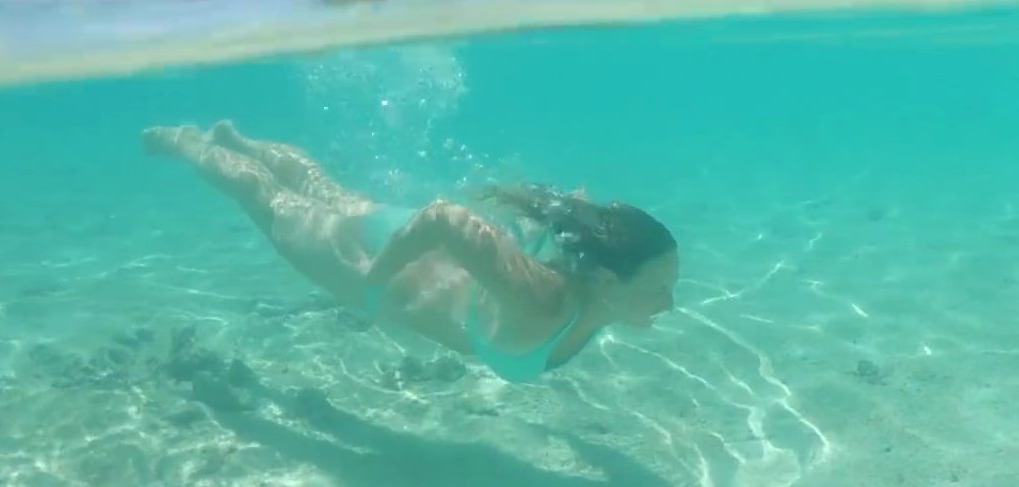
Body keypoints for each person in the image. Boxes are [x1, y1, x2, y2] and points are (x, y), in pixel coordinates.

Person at [142, 120, 678, 382]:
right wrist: (373, 277)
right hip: (374, 263)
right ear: (609, 281)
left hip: (402, 247)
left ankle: (243, 141)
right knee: (268, 201)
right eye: (660, 290)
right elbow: (444, 217)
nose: (669, 303)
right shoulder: (543, 298)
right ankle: (188, 143)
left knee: (323, 189)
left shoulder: (599, 289)